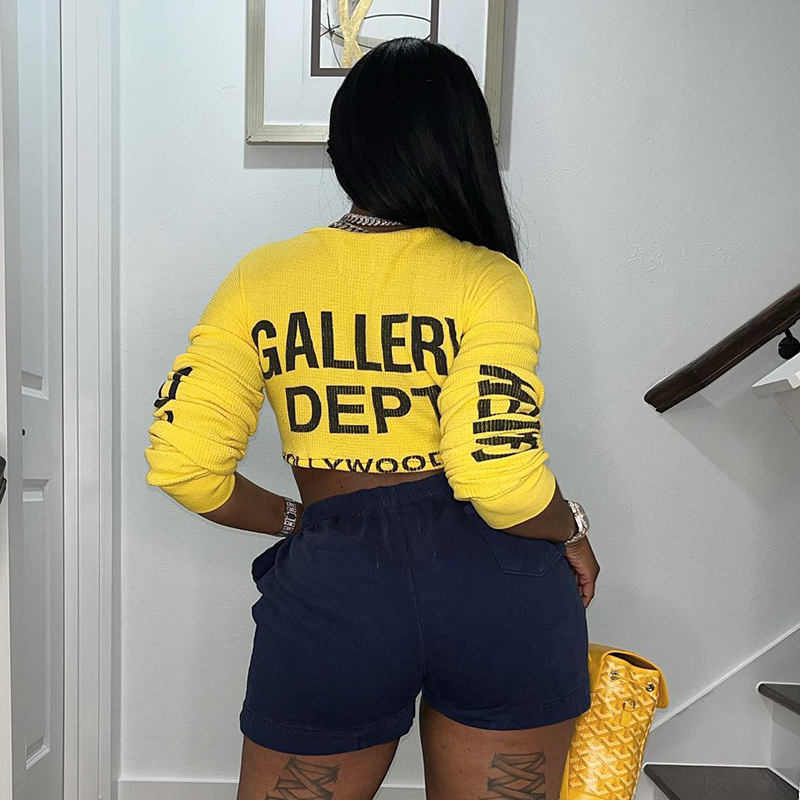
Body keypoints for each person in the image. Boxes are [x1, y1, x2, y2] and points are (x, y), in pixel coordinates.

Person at [145, 36, 599, 800]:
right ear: (464, 146)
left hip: (339, 592)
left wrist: (300, 521)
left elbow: (185, 466)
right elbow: (500, 478)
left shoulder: (263, 277)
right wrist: (572, 529)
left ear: (344, 149)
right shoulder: (489, 277)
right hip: (501, 587)